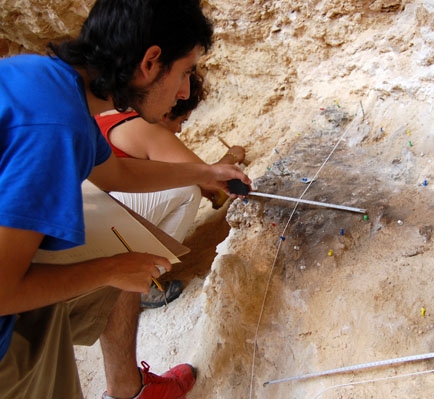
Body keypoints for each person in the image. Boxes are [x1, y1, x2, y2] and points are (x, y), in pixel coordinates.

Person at [0, 1, 251, 398]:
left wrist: (206, 173)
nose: (185, 91)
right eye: (185, 72)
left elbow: (117, 173)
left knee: (126, 250)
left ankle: (127, 388)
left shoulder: (43, 78)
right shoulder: (54, 128)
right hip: (6, 340)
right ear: (151, 62)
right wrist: (110, 269)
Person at [95, 72, 246, 308]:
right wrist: (233, 155)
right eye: (181, 121)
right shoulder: (146, 128)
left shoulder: (111, 113)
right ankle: (140, 283)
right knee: (186, 191)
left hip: (85, 227)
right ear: (168, 110)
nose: (177, 130)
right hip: (101, 233)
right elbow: (207, 181)